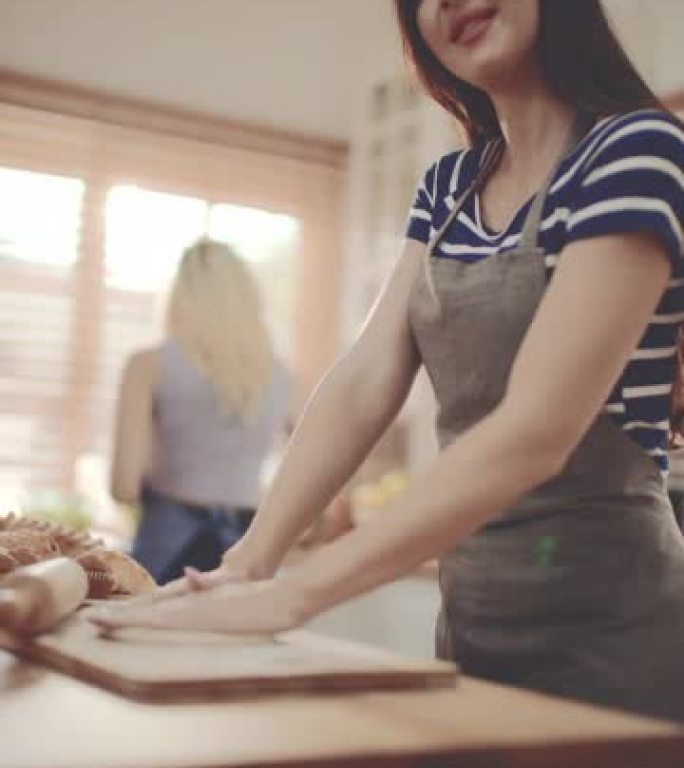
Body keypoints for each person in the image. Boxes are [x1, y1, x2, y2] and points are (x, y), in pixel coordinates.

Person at [92, 0, 684, 721]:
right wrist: (248, 563)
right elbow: (366, 379)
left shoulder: (637, 149)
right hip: (473, 627)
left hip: (618, 634)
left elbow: (538, 429)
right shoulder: (448, 187)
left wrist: (292, 597)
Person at [109, 238, 289, 584]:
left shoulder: (148, 365)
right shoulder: (287, 379)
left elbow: (123, 487)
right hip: (246, 562)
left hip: (163, 555)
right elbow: (320, 497)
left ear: (180, 296)